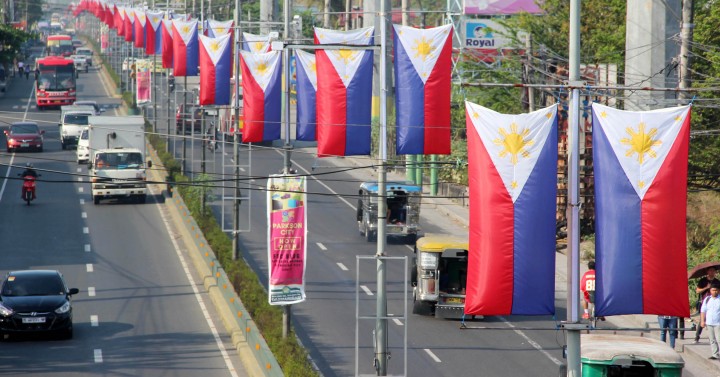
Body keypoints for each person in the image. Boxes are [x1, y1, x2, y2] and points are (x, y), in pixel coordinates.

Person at [695, 267, 720, 343]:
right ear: (707, 271)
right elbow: (697, 291)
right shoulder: (703, 280)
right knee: (703, 319)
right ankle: (697, 336)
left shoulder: (717, 281)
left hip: (715, 301)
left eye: (713, 271)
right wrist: (706, 287)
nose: (712, 272)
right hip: (705, 301)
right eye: (710, 270)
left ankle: (713, 337)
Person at [700, 283, 720, 359]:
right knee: (712, 339)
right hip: (709, 323)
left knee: (719, 339)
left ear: (718, 290)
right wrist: (702, 321)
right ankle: (715, 354)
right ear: (710, 291)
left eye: (716, 290)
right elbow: (703, 310)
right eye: (713, 290)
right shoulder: (707, 299)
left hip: (718, 323)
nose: (714, 292)